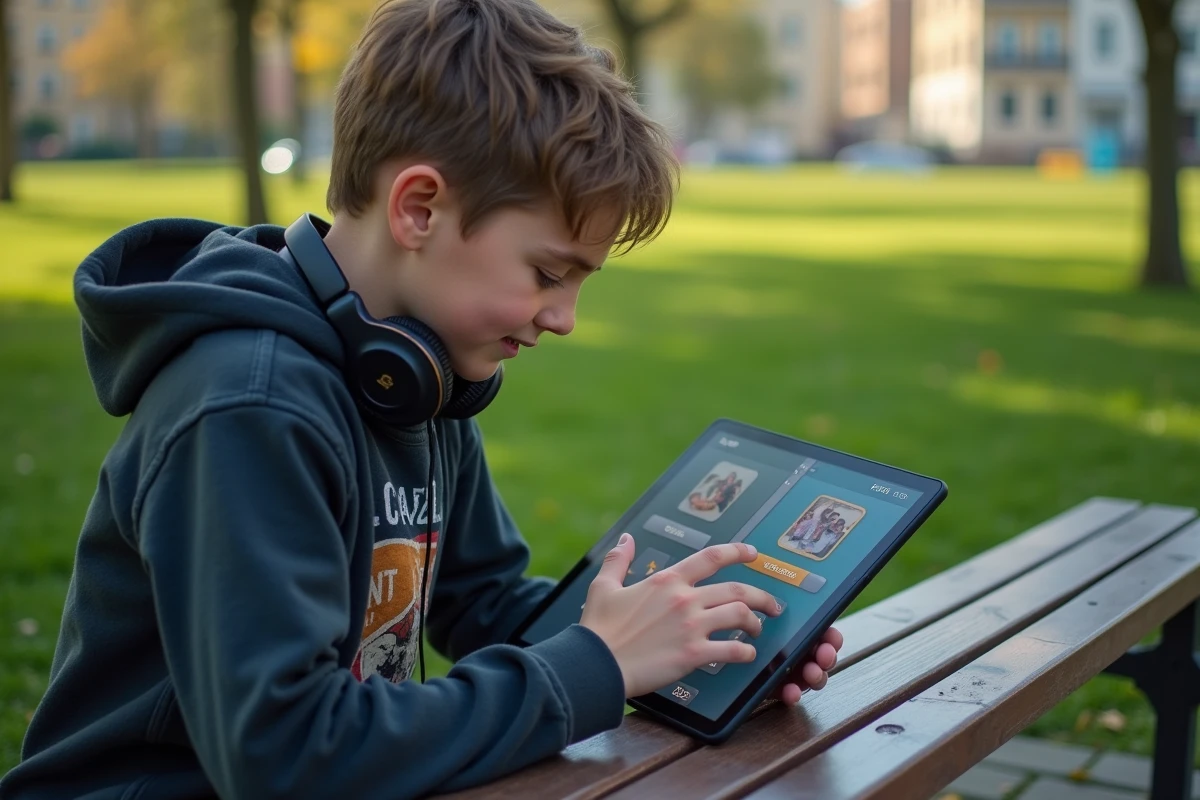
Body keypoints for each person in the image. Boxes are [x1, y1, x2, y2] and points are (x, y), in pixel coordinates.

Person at [0, 1, 842, 798]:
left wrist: (694, 653)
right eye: (549, 273)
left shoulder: (414, 377)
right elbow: (286, 755)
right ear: (419, 208)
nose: (565, 319)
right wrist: (599, 665)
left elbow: (487, 603)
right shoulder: (247, 408)